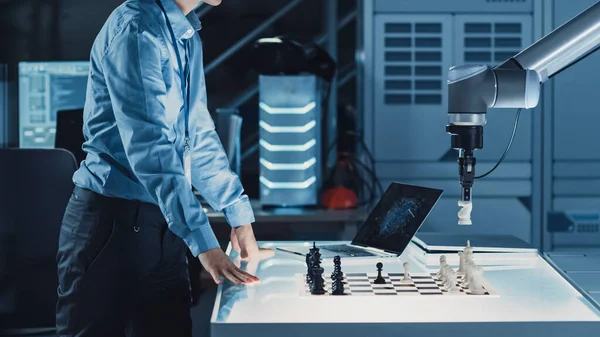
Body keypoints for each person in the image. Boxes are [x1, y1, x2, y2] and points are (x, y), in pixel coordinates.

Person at [55, 0, 273, 336]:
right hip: (110, 229)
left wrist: (238, 216)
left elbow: (196, 136)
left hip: (163, 225)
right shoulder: (136, 29)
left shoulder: (186, 34)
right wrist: (203, 241)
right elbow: (151, 147)